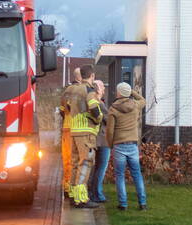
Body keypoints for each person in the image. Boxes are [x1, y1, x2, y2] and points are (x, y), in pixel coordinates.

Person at [63, 65, 104, 208]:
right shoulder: (89, 90)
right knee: (85, 163)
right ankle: (81, 199)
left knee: (75, 164)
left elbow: (65, 107)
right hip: (86, 133)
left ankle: (74, 195)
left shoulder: (71, 90)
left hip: (73, 131)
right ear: (91, 76)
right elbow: (94, 108)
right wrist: (99, 119)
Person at [105, 82, 147, 210]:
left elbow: (110, 131)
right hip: (133, 145)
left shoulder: (113, 109)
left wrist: (111, 144)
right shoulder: (135, 105)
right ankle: (142, 203)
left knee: (120, 175)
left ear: (118, 93)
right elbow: (143, 100)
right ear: (128, 93)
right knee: (137, 174)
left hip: (119, 145)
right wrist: (132, 92)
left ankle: (123, 204)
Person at [58, 67, 83, 200]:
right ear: (81, 77)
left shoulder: (66, 92)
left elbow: (62, 111)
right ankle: (74, 188)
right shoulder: (83, 91)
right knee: (78, 160)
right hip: (78, 129)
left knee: (67, 159)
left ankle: (67, 187)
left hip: (67, 128)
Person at [89, 79, 111, 204]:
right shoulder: (99, 104)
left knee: (96, 168)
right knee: (101, 168)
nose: (104, 90)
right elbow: (108, 120)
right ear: (97, 90)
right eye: (102, 87)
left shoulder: (93, 102)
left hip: (95, 139)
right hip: (102, 140)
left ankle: (94, 192)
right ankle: (98, 194)